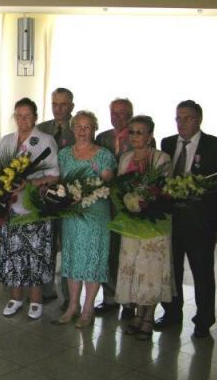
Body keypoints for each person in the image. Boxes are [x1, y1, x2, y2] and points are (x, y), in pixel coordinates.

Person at [156, 100, 217, 338]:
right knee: (172, 269)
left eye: (187, 118)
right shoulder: (167, 143)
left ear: (198, 119)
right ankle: (171, 313)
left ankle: (203, 320)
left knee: (202, 271)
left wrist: (201, 203)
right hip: (171, 219)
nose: (181, 123)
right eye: (178, 118)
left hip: (200, 221)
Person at [0, 98, 59, 320]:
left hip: (35, 207)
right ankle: (15, 298)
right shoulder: (7, 141)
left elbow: (54, 175)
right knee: (14, 252)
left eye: (27, 116)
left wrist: (29, 183)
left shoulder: (45, 140)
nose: (23, 120)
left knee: (35, 253)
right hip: (12, 207)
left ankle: (35, 300)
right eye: (19, 116)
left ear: (35, 118)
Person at [54, 110, 116, 328]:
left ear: (94, 129)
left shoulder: (104, 155)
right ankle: (73, 306)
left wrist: (86, 192)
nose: (82, 131)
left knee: (92, 261)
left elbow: (106, 183)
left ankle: (88, 309)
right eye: (78, 126)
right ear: (72, 129)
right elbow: (59, 182)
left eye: (87, 126)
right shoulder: (64, 154)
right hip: (71, 216)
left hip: (95, 216)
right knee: (72, 260)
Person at [114, 115, 173, 341]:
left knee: (150, 272)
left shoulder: (161, 158)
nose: (135, 136)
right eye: (132, 132)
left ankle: (148, 318)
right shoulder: (125, 158)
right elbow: (119, 189)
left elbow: (164, 192)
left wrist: (145, 202)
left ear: (150, 136)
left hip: (154, 225)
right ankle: (138, 315)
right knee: (133, 269)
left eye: (140, 132)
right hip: (131, 224)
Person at [94, 98, 135, 319]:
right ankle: (109, 298)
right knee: (108, 252)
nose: (117, 117)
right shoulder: (102, 138)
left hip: (129, 205)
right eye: (114, 113)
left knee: (127, 253)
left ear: (131, 114)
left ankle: (128, 302)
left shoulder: (139, 135)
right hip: (104, 203)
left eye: (122, 113)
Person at [37, 87, 75, 305]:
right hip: (46, 195)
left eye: (63, 104)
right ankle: (46, 289)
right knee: (47, 245)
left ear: (71, 106)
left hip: (71, 197)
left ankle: (69, 295)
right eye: (54, 104)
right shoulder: (42, 129)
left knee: (68, 246)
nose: (58, 109)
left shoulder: (78, 128)